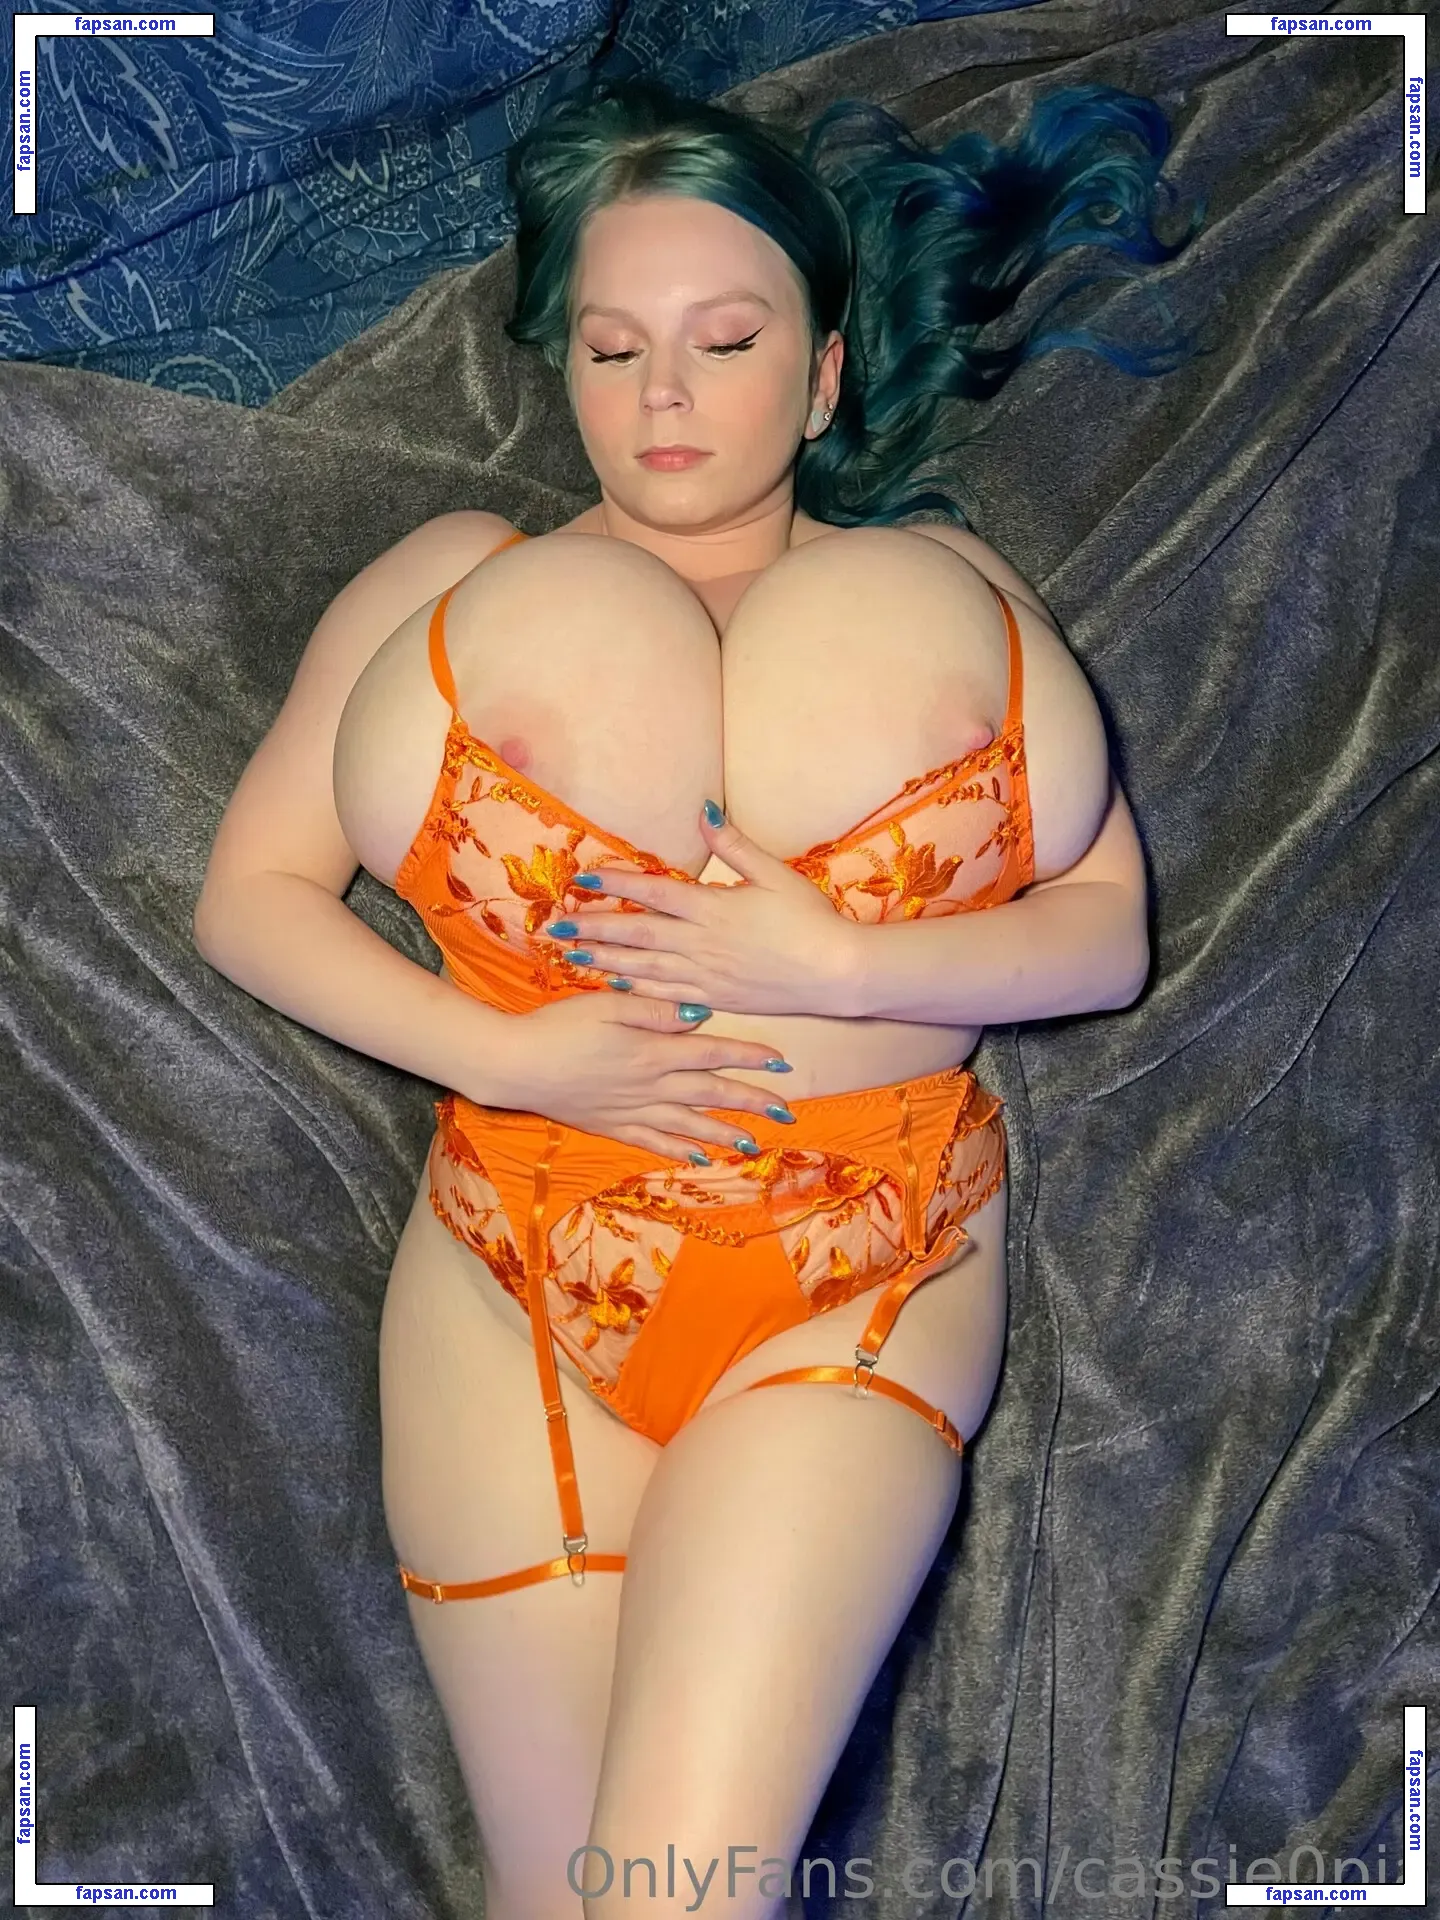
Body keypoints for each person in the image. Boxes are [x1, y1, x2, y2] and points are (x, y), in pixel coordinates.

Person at [194, 72, 1201, 1920]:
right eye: (613, 348)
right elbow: (249, 898)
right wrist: (505, 1051)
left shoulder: (944, 584)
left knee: (679, 1893)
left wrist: (847, 962)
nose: (664, 394)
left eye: (725, 342)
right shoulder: (453, 578)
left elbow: (1106, 930)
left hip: (862, 1258)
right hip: (511, 1270)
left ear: (821, 376)